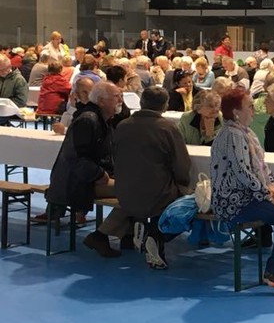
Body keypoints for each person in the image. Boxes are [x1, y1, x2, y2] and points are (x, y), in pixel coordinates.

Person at [211, 88, 274, 294]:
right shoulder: (232, 135)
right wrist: (268, 196)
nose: (254, 110)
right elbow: (242, 173)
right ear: (236, 112)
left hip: (246, 196)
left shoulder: (246, 132)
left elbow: (263, 168)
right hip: (232, 201)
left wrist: (273, 190)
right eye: (250, 106)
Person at [113, 86, 191, 269]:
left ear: (141, 102)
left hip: (124, 191)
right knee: (192, 204)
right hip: (158, 194)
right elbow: (182, 165)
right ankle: (156, 235)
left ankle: (137, 228)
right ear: (165, 105)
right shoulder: (167, 128)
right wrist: (183, 185)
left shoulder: (122, 126)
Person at [47, 81, 125, 258]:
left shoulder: (101, 120)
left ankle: (115, 235)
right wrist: (100, 174)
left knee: (135, 189)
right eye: (116, 97)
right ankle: (101, 236)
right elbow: (76, 158)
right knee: (133, 193)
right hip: (76, 183)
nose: (120, 100)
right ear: (101, 101)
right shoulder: (88, 120)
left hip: (84, 178)